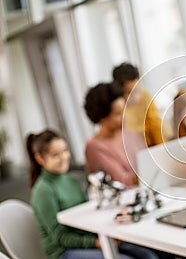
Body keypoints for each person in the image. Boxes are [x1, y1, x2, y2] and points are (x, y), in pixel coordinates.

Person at [27, 129, 160, 259]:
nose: (64, 157)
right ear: (39, 158)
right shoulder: (43, 191)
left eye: (65, 151)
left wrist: (106, 236)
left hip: (88, 240)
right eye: (55, 155)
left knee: (148, 254)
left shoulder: (70, 180)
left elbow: (84, 218)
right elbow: (60, 237)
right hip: (65, 251)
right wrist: (96, 243)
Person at [84, 83, 146, 187]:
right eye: (118, 114)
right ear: (102, 117)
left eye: (124, 110)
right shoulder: (94, 148)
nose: (124, 117)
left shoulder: (130, 134)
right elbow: (121, 182)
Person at [112, 63, 169, 147]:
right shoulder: (117, 108)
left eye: (137, 89)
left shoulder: (145, 96)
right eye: (129, 92)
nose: (135, 96)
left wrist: (163, 148)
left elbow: (156, 124)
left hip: (154, 146)